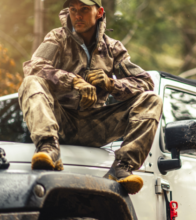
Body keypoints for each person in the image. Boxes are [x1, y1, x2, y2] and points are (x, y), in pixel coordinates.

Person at [18, 0, 162, 195]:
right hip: (61, 121)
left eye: (84, 10)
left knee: (152, 100)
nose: (78, 15)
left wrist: (112, 84)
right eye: (73, 10)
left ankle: (122, 167)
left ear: (99, 12)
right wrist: (73, 80)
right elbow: (32, 67)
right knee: (30, 82)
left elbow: (145, 82)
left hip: (95, 126)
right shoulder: (57, 38)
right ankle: (49, 148)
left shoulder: (113, 49)